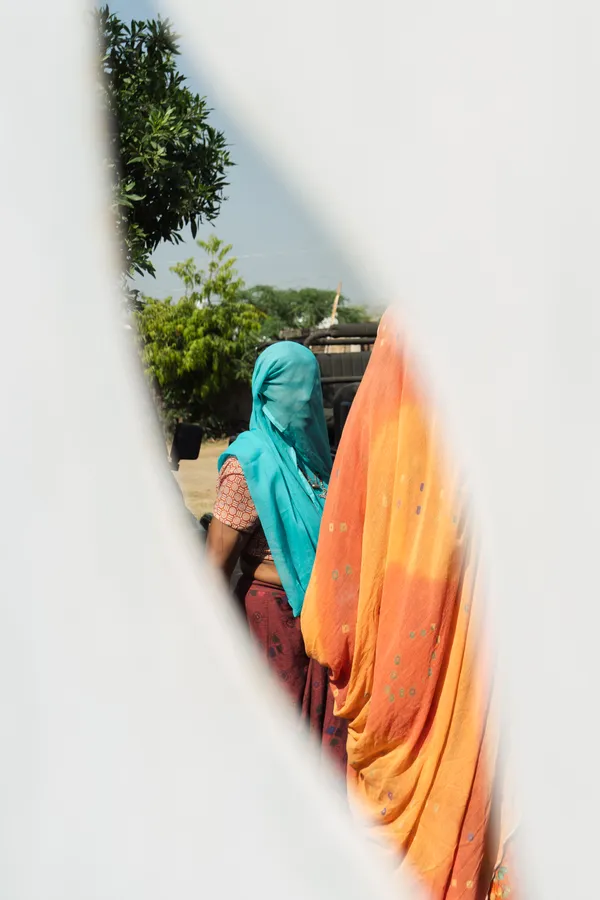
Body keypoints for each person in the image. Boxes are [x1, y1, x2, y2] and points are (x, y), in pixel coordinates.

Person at [301, 312, 518, 898]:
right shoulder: (503, 431)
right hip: (480, 674)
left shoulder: (381, 432)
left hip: (395, 681)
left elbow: (332, 607)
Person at [207, 340, 348, 772]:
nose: (304, 400)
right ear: (265, 392)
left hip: (321, 624)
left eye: (311, 389)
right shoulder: (248, 464)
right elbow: (214, 568)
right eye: (293, 389)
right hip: (270, 620)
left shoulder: (318, 462)